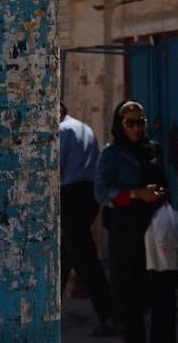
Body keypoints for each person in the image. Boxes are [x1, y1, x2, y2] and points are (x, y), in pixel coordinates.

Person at [95, 100, 178, 343]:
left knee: (164, 297)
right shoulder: (111, 155)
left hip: (156, 232)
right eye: (130, 123)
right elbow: (101, 192)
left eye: (140, 122)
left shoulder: (152, 149)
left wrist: (158, 194)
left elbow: (164, 182)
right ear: (119, 124)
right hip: (127, 235)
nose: (136, 128)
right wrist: (136, 194)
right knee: (130, 301)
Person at [60, 103, 117, 338]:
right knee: (65, 254)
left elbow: (56, 165)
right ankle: (46, 312)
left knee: (84, 258)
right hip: (88, 194)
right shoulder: (84, 128)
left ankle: (109, 316)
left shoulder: (61, 130)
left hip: (70, 194)